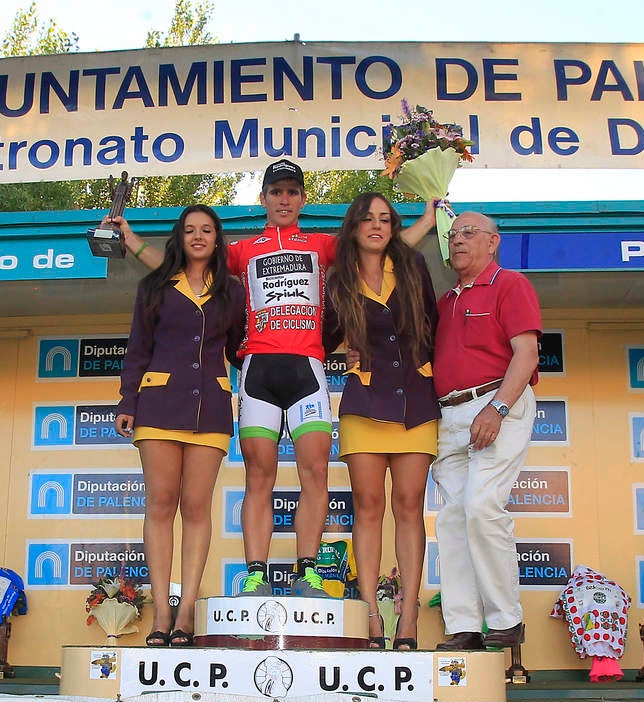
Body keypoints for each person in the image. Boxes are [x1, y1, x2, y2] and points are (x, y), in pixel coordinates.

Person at [116, 159, 435, 600]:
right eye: (275, 192)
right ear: (263, 198)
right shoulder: (243, 250)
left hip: (308, 368)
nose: (284, 199)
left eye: (292, 192)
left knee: (315, 473)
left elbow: (378, 241)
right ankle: (255, 573)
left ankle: (307, 571)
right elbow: (177, 265)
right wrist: (131, 241)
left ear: (303, 199)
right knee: (259, 476)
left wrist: (426, 220)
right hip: (257, 372)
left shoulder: (322, 245)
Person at [114, 205, 245, 646]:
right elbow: (137, 348)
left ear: (217, 238)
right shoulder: (154, 285)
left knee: (196, 506)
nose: (198, 236)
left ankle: (187, 608)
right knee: (161, 503)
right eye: (189, 229)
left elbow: (244, 345)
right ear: (179, 237)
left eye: (207, 229)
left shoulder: (232, 291)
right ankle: (161, 612)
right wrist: (127, 400)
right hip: (158, 404)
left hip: (210, 408)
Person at [323, 193, 439, 650]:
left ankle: (407, 618)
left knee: (409, 506)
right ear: (353, 228)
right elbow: (325, 334)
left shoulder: (412, 267)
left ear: (393, 227)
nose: (376, 226)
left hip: (415, 401)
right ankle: (372, 616)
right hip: (364, 403)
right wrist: (344, 347)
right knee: (368, 508)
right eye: (367, 219)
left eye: (385, 219)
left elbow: (433, 324)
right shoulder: (338, 278)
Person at [432, 211, 542, 651]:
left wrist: (497, 408)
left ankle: (506, 619)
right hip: (448, 414)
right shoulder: (445, 300)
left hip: (497, 401)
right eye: (454, 235)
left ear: (493, 242)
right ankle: (464, 626)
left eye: (469, 233)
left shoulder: (510, 284)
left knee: (481, 506)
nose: (458, 241)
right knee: (452, 518)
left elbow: (528, 353)